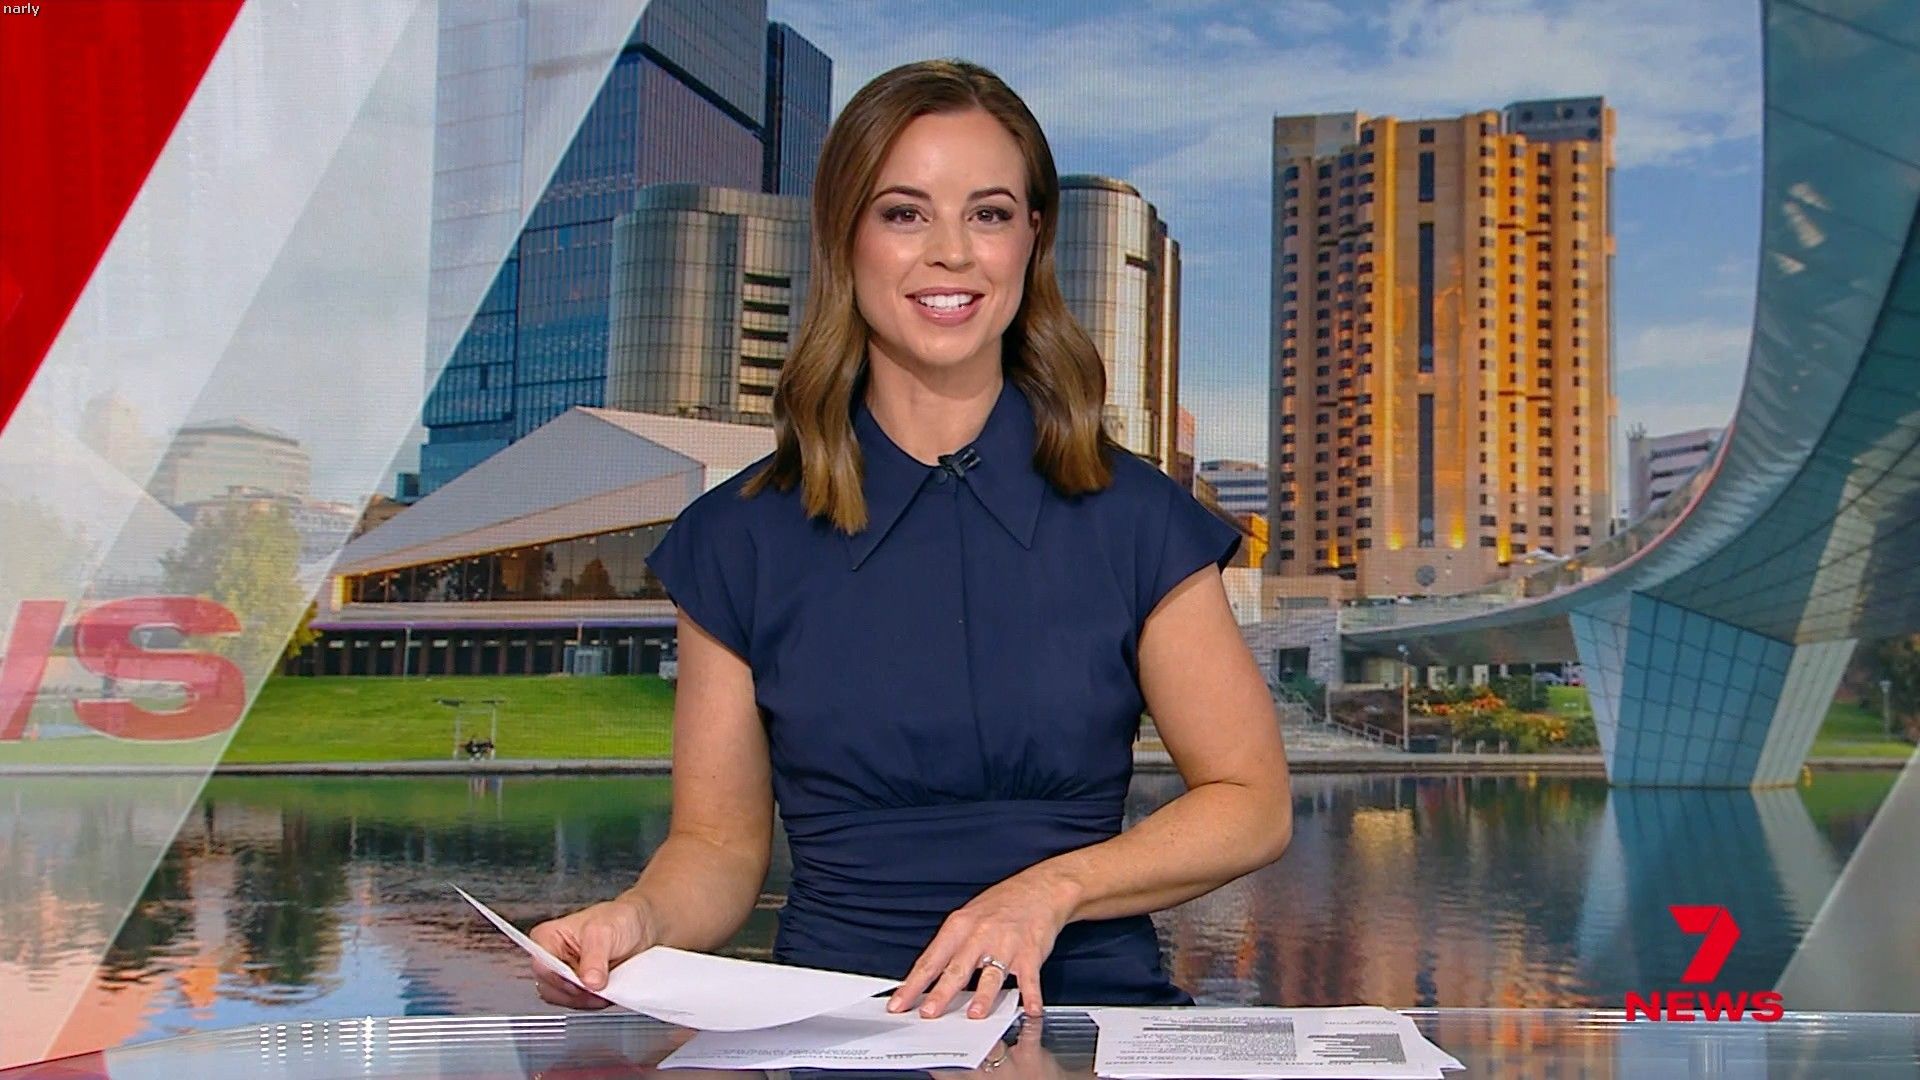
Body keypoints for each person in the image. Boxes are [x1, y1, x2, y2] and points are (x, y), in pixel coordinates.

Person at [530, 57, 1292, 1021]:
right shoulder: (737, 539)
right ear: (845, 237)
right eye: (904, 213)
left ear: (1032, 238)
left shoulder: (1136, 517)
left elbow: (1251, 800)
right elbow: (717, 848)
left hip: (1086, 1026)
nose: (951, 253)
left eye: (988, 214)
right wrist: (635, 920)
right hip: (832, 1032)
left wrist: (1052, 890)